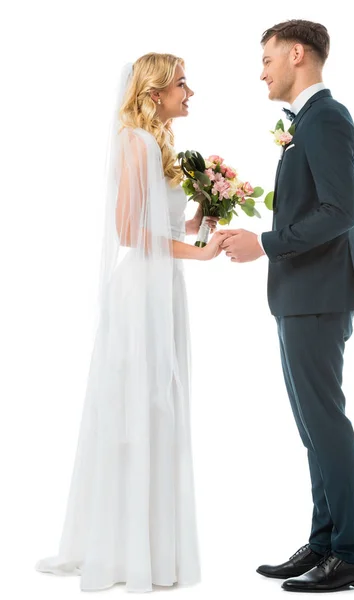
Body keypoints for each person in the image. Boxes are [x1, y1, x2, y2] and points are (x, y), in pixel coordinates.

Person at [36, 53, 228, 593]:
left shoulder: (155, 147)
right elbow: (129, 231)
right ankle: (128, 551)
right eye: (182, 83)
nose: (190, 92)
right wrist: (202, 254)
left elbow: (159, 223)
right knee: (138, 409)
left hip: (162, 288)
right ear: (155, 92)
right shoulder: (135, 141)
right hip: (143, 291)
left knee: (158, 406)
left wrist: (198, 221)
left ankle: (145, 546)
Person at [221, 20, 354, 593]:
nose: (262, 71)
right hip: (301, 294)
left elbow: (340, 211)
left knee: (325, 424)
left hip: (319, 296)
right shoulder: (307, 123)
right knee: (314, 427)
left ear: (297, 54)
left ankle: (353, 554)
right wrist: (263, 238)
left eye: (266, 60)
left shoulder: (327, 119)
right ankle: (326, 541)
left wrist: (264, 244)